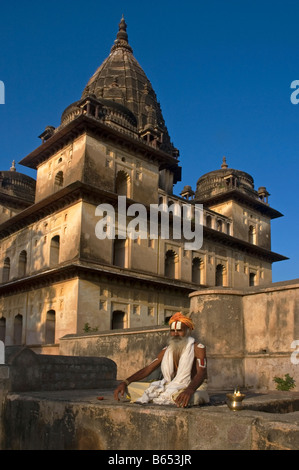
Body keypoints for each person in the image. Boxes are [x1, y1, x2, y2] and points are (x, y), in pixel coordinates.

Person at [113, 312, 209, 408]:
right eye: (172, 331)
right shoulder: (167, 350)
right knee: (130, 388)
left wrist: (189, 390)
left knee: (196, 397)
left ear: (188, 331)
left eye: (179, 330)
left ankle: (168, 397)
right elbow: (148, 369)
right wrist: (125, 382)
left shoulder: (198, 348)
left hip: (193, 387)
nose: (175, 334)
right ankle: (167, 397)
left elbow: (202, 373)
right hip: (170, 386)